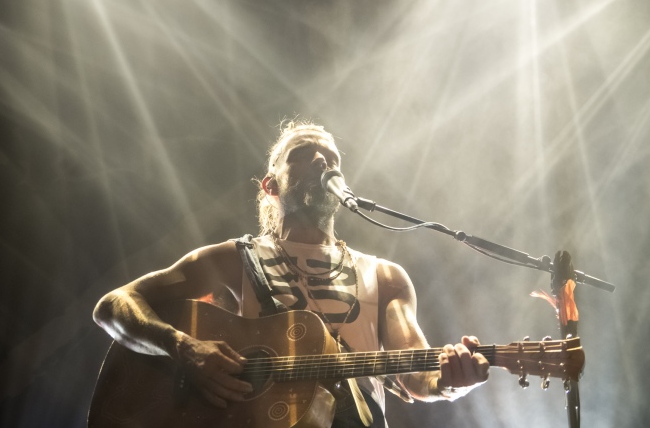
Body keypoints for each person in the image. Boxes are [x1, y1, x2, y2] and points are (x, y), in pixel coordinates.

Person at [93, 120, 489, 427]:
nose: (322, 161)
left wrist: (452, 381)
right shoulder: (236, 258)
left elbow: (416, 376)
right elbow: (114, 304)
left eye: (332, 158)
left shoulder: (386, 277)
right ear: (270, 185)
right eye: (303, 153)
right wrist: (184, 347)